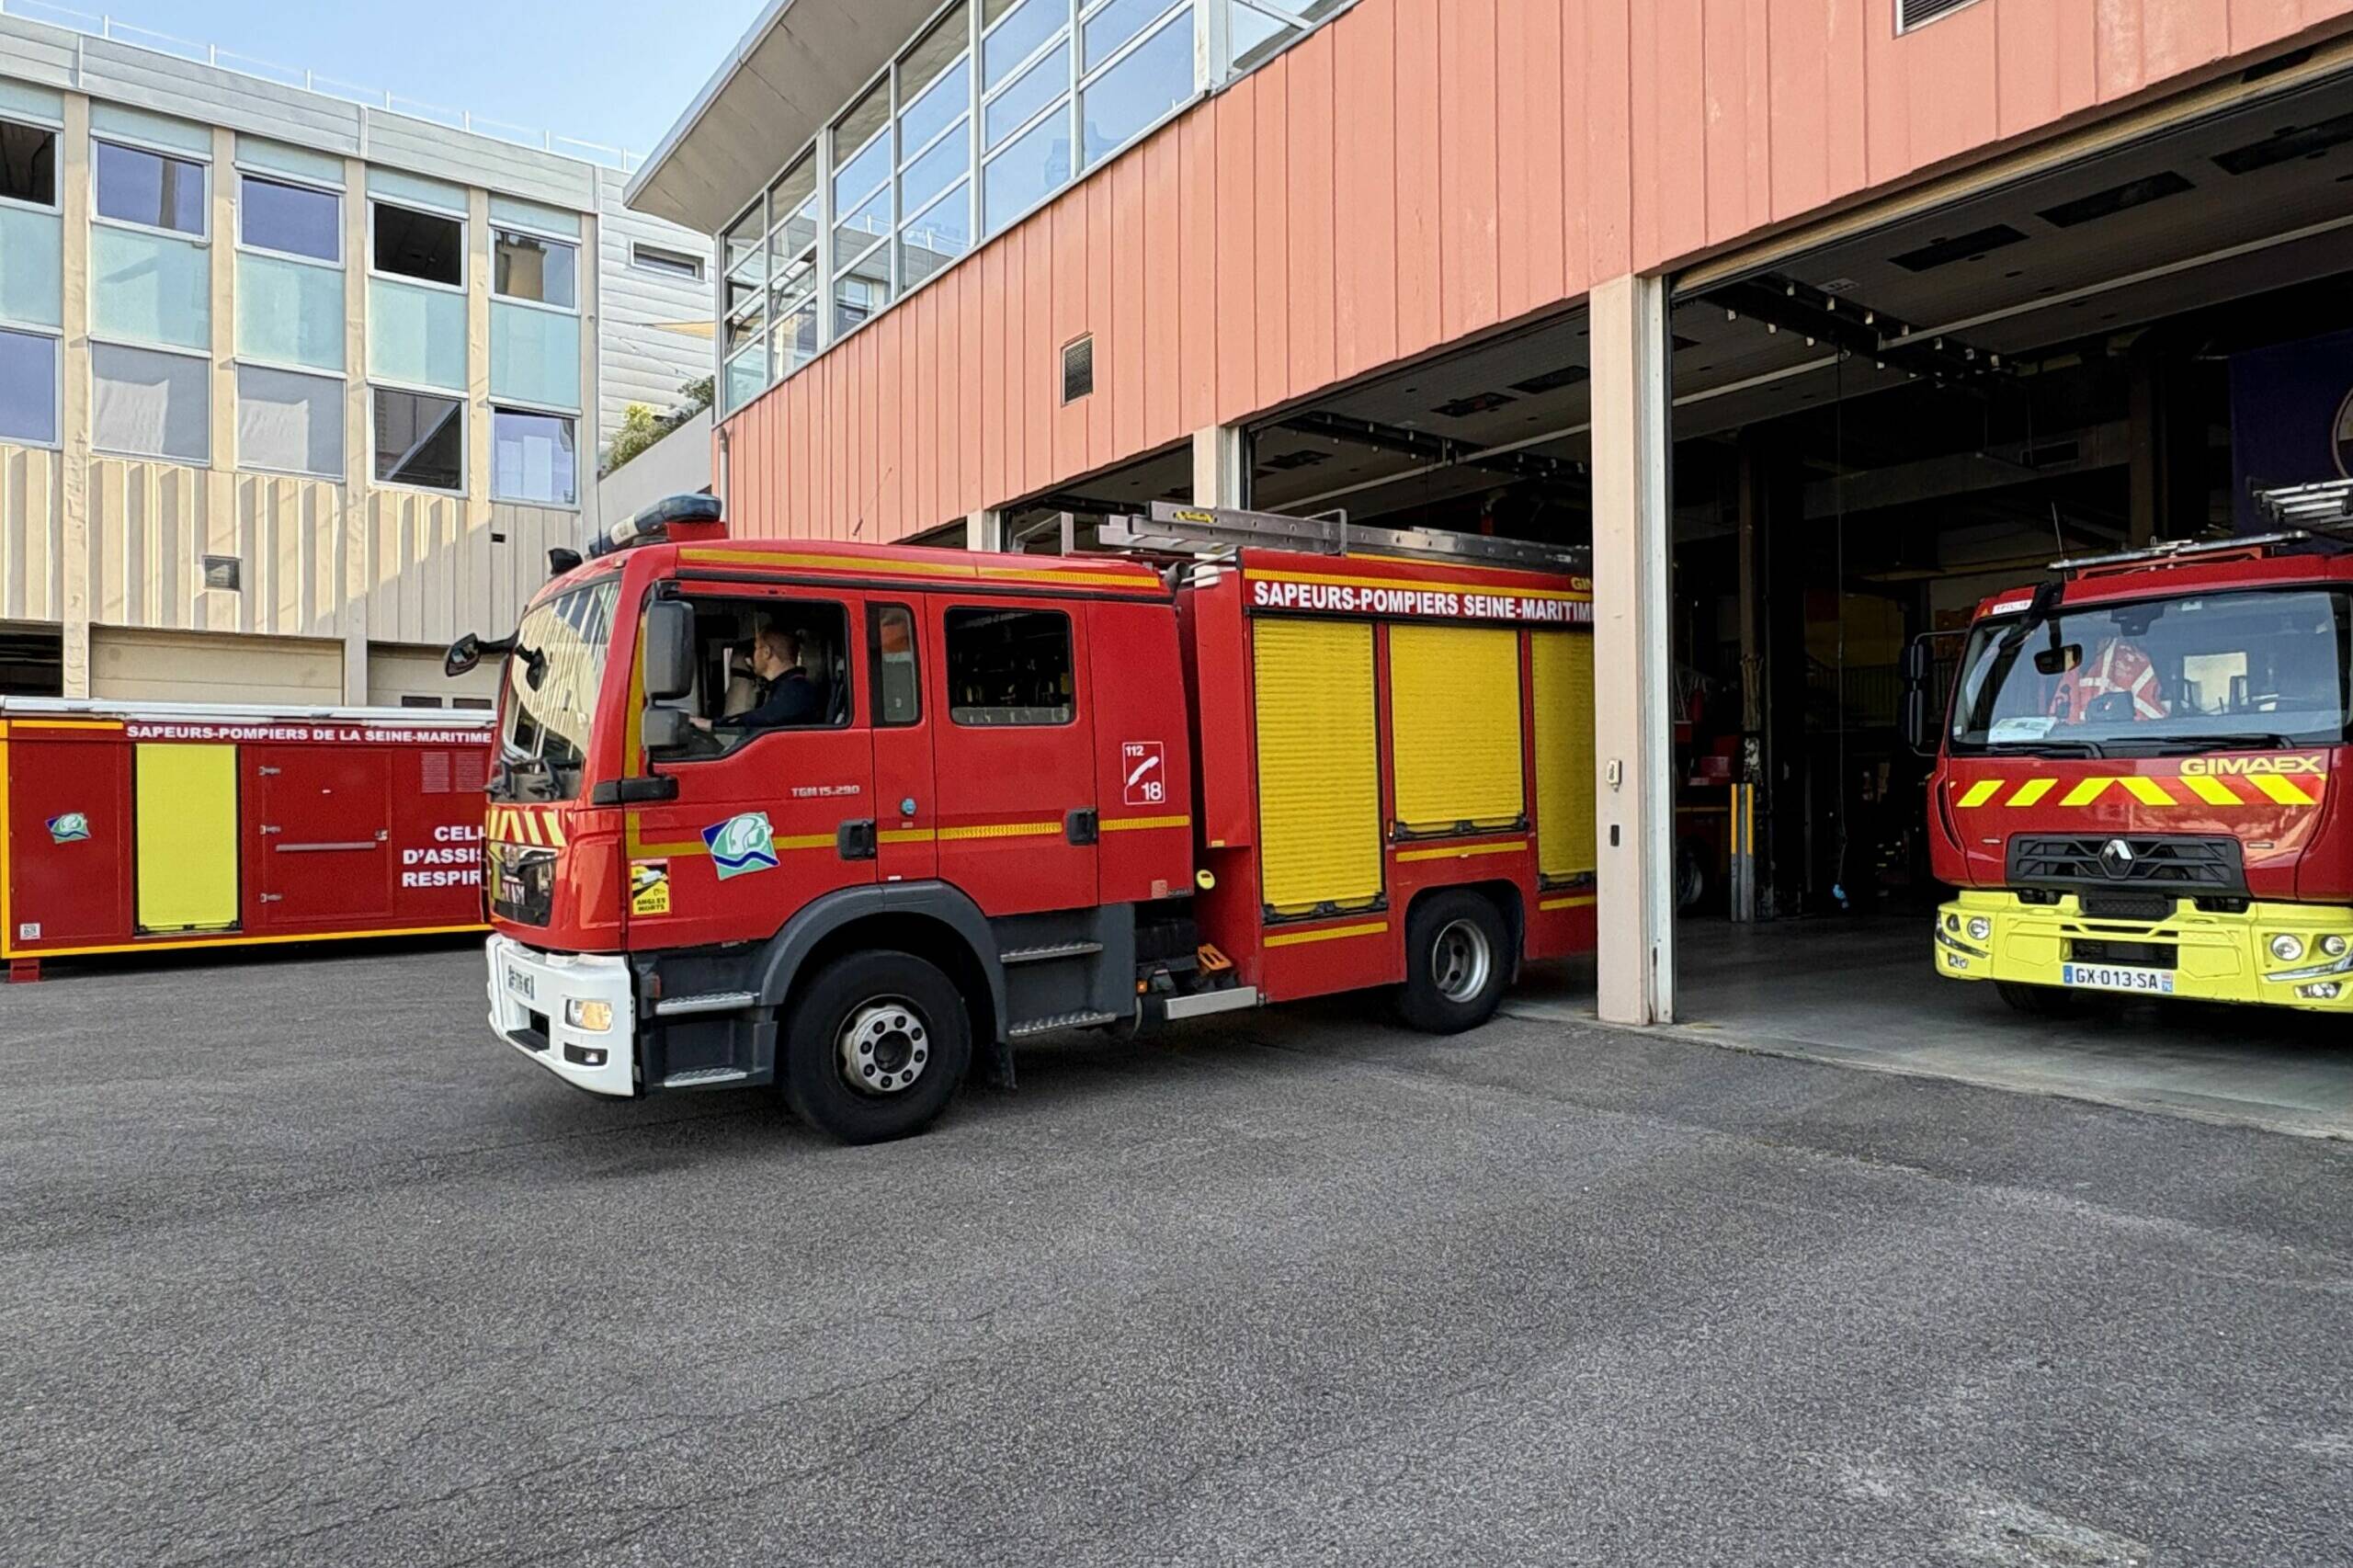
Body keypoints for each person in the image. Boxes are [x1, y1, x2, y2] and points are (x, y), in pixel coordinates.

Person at [692, 626, 824, 733]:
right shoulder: (783, 687)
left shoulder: (798, 690)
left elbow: (765, 718)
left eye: (755, 648)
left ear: (767, 652)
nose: (753, 655)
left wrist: (713, 724)